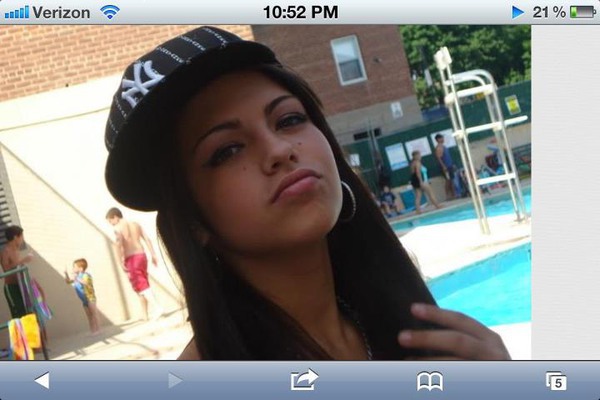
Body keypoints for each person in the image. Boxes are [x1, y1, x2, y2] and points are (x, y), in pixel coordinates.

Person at [103, 26, 510, 360]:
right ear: (193, 222)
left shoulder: (414, 329)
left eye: (289, 119)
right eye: (227, 150)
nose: (279, 150)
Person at [105, 207, 164, 321]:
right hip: (142, 256)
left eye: (110, 221)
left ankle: (157, 307)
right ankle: (145, 315)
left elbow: (118, 245)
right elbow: (147, 239)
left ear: (115, 217)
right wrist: (153, 254)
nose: (111, 224)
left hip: (132, 258)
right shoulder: (136, 224)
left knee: (141, 285)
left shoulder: (118, 228)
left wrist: (120, 262)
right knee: (142, 285)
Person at [1, 226, 33, 319]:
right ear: (15, 237)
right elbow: (6, 269)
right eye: (21, 237)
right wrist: (23, 260)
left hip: (21, 286)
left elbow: (18, 266)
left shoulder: (16, 250)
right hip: (11, 288)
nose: (22, 239)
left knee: (27, 313)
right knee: (18, 316)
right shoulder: (6, 251)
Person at [64, 258, 100, 335]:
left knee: (94, 314)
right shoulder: (76, 277)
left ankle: (97, 330)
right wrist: (66, 274)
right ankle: (93, 330)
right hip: (84, 300)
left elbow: (85, 282)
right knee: (89, 316)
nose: (73, 268)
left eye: (74, 267)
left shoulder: (86, 275)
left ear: (80, 268)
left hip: (90, 298)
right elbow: (68, 282)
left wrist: (77, 278)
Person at [434, 133, 458, 200]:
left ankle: (454, 195)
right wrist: (443, 166)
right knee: (448, 180)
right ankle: (448, 196)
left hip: (449, 166)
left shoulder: (444, 146)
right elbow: (438, 158)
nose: (443, 139)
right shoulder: (439, 148)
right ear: (438, 139)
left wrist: (452, 164)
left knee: (451, 180)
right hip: (445, 167)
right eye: (441, 138)